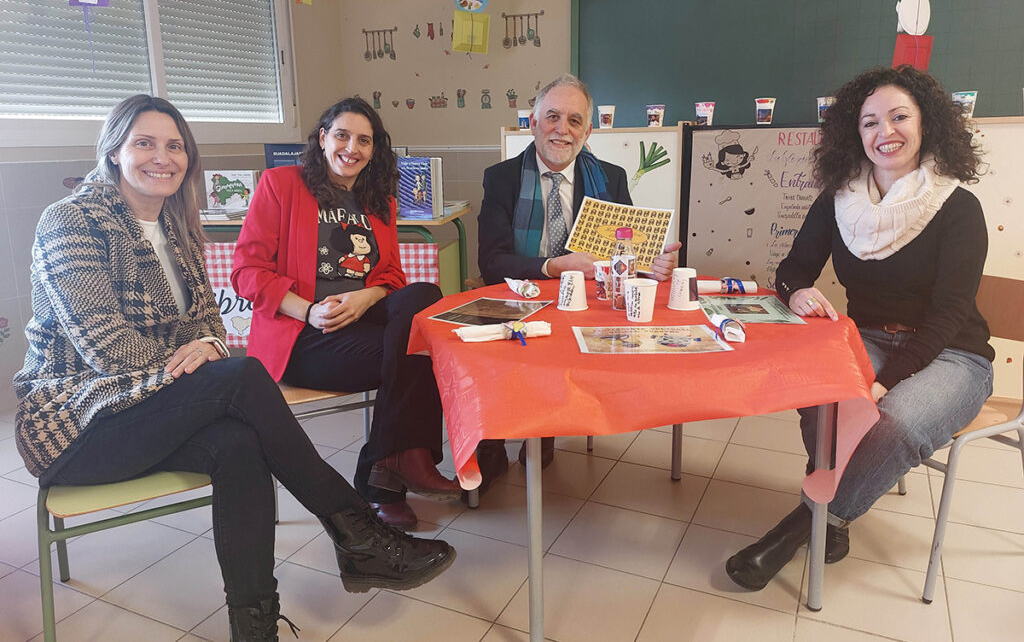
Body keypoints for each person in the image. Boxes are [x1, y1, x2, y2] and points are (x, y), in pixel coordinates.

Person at [12, 95, 455, 641]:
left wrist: (206, 347)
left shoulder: (174, 226)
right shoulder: (71, 221)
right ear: (113, 151)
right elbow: (107, 349)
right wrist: (202, 356)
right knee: (244, 377)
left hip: (149, 410)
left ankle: (256, 626)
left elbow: (211, 325)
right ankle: (357, 531)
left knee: (241, 446)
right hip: (78, 425)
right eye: (144, 143)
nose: (163, 157)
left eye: (175, 146)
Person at [725, 65, 994, 591]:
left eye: (899, 117)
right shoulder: (839, 199)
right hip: (866, 337)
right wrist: (797, 292)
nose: (884, 132)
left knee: (895, 422)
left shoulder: (958, 206)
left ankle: (808, 522)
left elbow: (950, 313)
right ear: (855, 133)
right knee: (820, 396)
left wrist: (885, 381)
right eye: (869, 122)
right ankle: (834, 513)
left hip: (953, 352)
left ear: (927, 123)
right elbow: (792, 270)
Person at [232, 97, 460, 531]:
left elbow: (392, 275)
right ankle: (389, 474)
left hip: (362, 320)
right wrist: (308, 311)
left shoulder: (379, 201)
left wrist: (364, 298)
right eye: (342, 135)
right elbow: (246, 272)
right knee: (415, 351)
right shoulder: (280, 185)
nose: (351, 148)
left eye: (364, 140)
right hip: (303, 335)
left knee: (425, 296)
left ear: (374, 150)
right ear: (322, 138)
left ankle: (388, 466)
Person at [476, 74, 682, 482]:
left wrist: (651, 267)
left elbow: (626, 255)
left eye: (574, 121)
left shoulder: (611, 177)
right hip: (520, 292)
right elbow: (491, 262)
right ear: (532, 123)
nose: (562, 129)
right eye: (552, 117)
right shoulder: (501, 178)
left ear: (587, 132)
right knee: (498, 348)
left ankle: (546, 426)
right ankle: (492, 441)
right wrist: (553, 267)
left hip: (586, 303)